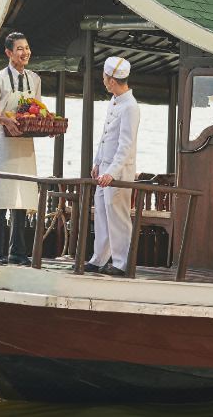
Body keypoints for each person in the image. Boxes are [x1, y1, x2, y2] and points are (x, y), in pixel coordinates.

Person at [0, 31, 41, 266]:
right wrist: (7, 121)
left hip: (26, 144)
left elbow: (37, 108)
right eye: (19, 48)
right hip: (4, 144)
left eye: (27, 48)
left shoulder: (35, 79)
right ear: (8, 53)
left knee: (23, 198)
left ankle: (18, 251)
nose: (25, 52)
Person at [84, 56, 141, 277]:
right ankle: (98, 258)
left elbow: (125, 145)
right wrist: (97, 162)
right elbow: (105, 135)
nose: (104, 81)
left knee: (117, 216)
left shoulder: (130, 106)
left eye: (106, 78)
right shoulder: (115, 101)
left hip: (118, 171)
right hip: (105, 169)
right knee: (101, 213)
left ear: (112, 80)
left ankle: (121, 262)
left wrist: (111, 172)